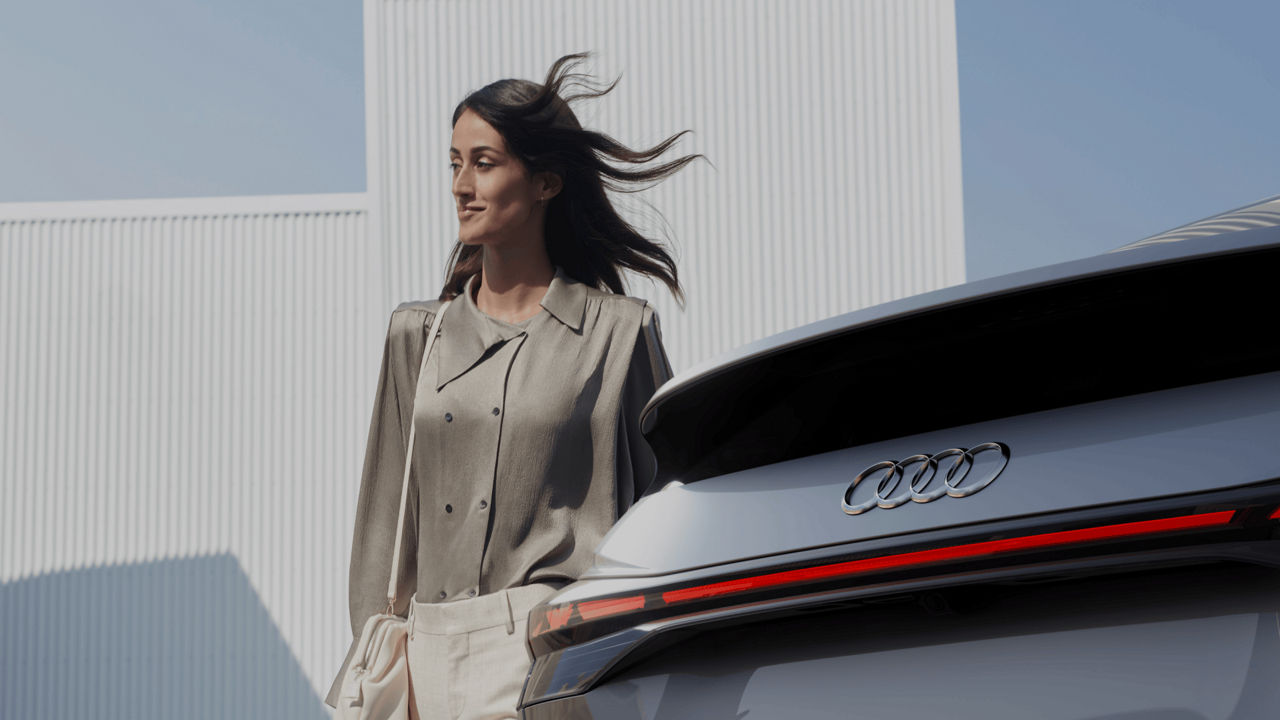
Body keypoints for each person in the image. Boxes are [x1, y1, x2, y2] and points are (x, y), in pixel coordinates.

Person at [325, 52, 701, 718]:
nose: (460, 185)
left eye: (484, 163)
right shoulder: (417, 337)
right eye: (454, 163)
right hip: (424, 660)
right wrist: (378, 654)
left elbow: (667, 516)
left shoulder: (617, 335)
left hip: (552, 652)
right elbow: (383, 526)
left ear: (546, 182)